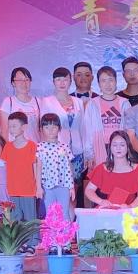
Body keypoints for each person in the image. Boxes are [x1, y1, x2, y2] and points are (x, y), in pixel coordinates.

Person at [41, 67, 87, 197]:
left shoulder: (78, 102)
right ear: (53, 82)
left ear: (70, 81)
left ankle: (71, 211)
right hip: (56, 152)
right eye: (58, 79)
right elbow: (43, 128)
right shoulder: (47, 102)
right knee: (60, 188)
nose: (62, 83)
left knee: (74, 189)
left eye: (65, 79)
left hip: (77, 150)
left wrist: (86, 152)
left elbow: (83, 127)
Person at [81, 66, 132, 170]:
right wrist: (89, 154)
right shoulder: (92, 104)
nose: (108, 84)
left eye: (111, 80)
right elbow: (87, 130)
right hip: (99, 147)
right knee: (101, 176)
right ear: (99, 84)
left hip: (120, 147)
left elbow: (130, 130)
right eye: (103, 81)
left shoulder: (125, 103)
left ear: (116, 82)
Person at [85, 130, 138, 208]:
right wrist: (101, 201)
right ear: (110, 148)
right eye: (115, 145)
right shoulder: (102, 168)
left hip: (130, 210)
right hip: (108, 210)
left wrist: (130, 206)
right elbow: (89, 190)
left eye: (122, 145)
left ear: (128, 147)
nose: (118, 148)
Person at [0, 111, 42, 226]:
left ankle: (34, 238)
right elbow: (4, 169)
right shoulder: (8, 147)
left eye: (14, 126)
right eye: (9, 126)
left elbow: (36, 168)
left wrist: (38, 187)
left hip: (28, 191)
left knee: (30, 221)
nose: (11, 129)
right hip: (12, 191)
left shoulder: (32, 146)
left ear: (24, 127)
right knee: (15, 221)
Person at [37, 113, 75, 222]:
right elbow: (38, 168)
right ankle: (52, 233)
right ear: (41, 129)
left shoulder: (64, 147)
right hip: (47, 187)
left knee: (64, 213)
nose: (50, 130)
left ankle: (66, 233)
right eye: (47, 127)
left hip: (63, 185)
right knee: (51, 213)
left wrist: (71, 187)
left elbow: (69, 168)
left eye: (54, 127)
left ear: (59, 128)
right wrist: (38, 187)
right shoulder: (40, 147)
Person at [0, 67, 42, 144]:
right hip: (15, 148)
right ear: (13, 83)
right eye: (20, 80)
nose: (24, 83)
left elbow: (42, 129)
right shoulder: (8, 102)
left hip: (35, 147)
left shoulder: (38, 102)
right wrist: (7, 149)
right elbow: (4, 131)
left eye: (27, 80)